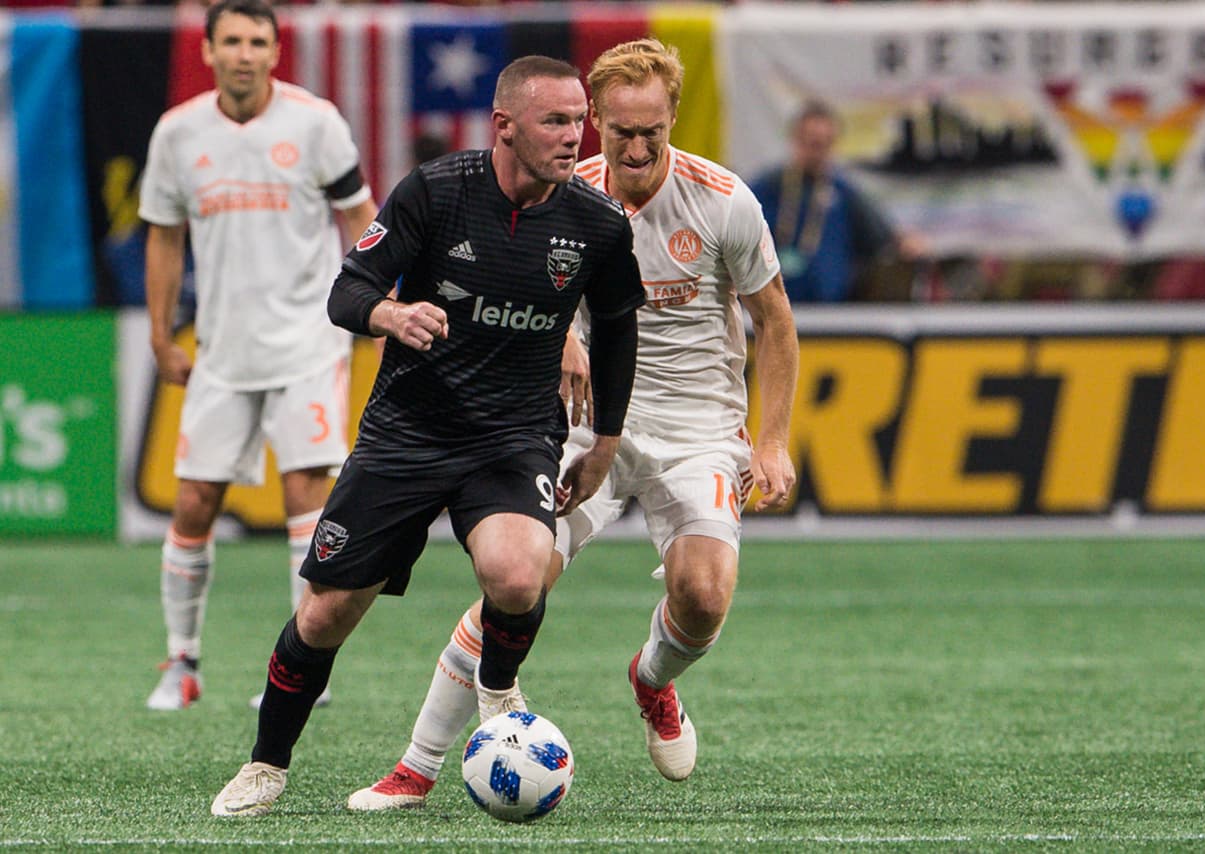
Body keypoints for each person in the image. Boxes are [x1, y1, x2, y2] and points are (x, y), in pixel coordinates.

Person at [346, 37, 799, 811]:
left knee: (704, 595)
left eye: (650, 131)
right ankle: (415, 769)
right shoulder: (568, 193)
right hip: (585, 424)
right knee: (516, 583)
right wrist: (565, 338)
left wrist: (775, 440)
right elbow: (515, 277)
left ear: (672, 118)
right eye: (618, 131)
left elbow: (776, 325)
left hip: (698, 425)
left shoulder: (723, 200)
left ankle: (652, 681)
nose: (634, 147)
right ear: (595, 124)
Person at [209, 54, 644, 818]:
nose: (576, 136)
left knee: (518, 576)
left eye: (580, 121)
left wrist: (604, 442)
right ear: (504, 126)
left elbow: (616, 331)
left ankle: (498, 685)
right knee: (323, 617)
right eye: (556, 121)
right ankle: (266, 764)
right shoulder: (437, 192)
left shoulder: (598, 223)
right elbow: (350, 291)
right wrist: (390, 315)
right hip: (406, 434)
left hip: (513, 437)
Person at [139, 0, 378, 712]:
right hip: (221, 349)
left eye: (258, 42)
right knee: (192, 502)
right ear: (209, 51)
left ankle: (304, 663)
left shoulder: (315, 122)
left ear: (275, 52)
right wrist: (159, 334)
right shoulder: (179, 134)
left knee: (306, 496)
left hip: (308, 341)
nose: (245, 53)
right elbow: (163, 236)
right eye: (232, 41)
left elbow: (361, 215)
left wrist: (372, 302)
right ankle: (181, 664)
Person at [751, 99, 924, 302]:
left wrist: (905, 242)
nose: (818, 152)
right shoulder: (766, 188)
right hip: (771, 309)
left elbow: (884, 237)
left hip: (831, 315)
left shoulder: (844, 192)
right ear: (796, 140)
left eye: (825, 144)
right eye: (813, 143)